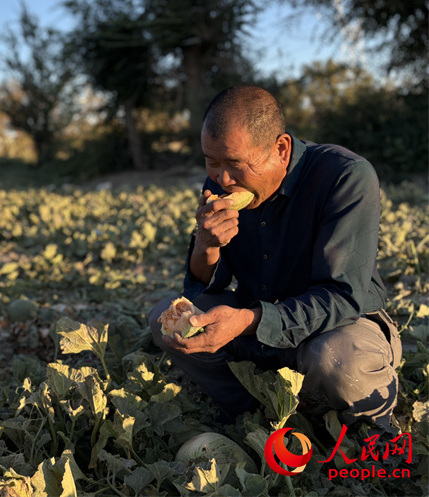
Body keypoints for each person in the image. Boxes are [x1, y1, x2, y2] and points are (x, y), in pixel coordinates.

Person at [148, 85, 401, 435]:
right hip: (256, 322)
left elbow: (342, 298)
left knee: (340, 360)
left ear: (280, 149)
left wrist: (250, 320)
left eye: (235, 164)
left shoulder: (344, 176)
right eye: (211, 161)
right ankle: (255, 413)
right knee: (166, 319)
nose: (223, 178)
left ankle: (371, 432)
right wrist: (206, 245)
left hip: (335, 327)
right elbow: (201, 287)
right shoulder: (220, 182)